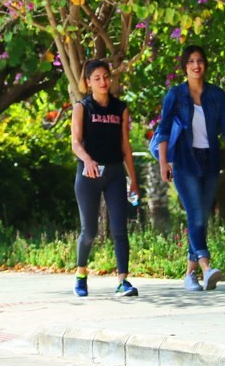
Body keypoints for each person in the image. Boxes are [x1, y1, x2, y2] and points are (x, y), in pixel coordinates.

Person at [154, 45, 225, 292]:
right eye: (191, 61)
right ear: (185, 66)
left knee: (201, 215)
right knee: (195, 214)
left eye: (200, 60)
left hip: (210, 160)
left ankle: (189, 275)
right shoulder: (175, 95)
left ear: (205, 65)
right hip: (184, 160)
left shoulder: (217, 95)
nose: (196, 65)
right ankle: (205, 266)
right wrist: (163, 162)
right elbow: (163, 130)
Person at [70, 58, 139, 297]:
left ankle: (123, 281)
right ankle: (81, 274)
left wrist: (133, 181)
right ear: (88, 82)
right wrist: (87, 160)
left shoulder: (120, 108)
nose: (103, 82)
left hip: (114, 173)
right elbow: (75, 143)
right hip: (88, 174)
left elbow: (126, 146)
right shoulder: (82, 107)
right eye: (97, 78)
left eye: (106, 77)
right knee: (89, 231)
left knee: (119, 229)